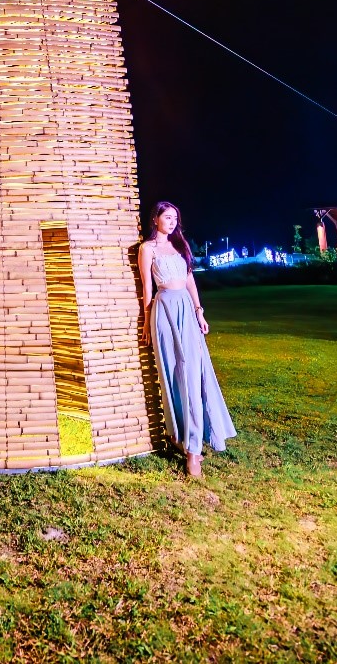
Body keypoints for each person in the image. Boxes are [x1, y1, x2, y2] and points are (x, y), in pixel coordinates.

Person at [137, 201, 237, 478]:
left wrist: (199, 310)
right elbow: (147, 286)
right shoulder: (148, 249)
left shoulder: (182, 246)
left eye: (175, 218)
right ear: (155, 219)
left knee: (193, 374)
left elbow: (190, 279)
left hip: (186, 311)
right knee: (172, 374)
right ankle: (180, 438)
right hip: (164, 310)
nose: (172, 222)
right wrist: (146, 321)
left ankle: (194, 450)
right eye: (167, 217)